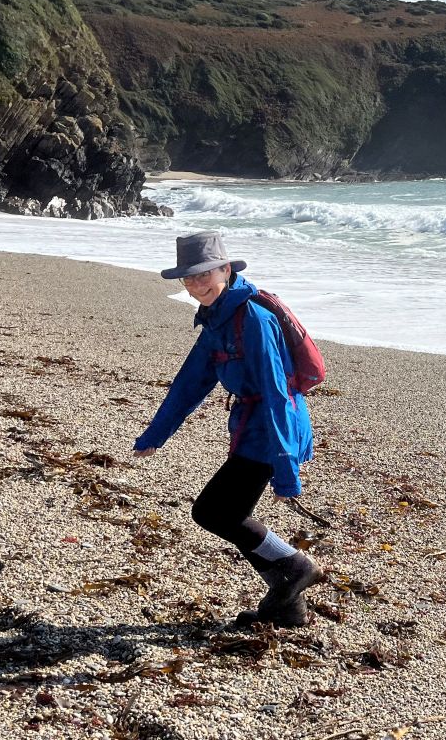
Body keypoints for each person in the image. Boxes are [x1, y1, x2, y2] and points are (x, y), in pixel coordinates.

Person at [133, 230, 321, 627]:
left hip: (274, 429)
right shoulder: (216, 320)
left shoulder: (253, 318)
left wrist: (286, 472)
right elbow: (190, 384)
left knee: (215, 511)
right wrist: (155, 435)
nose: (198, 284)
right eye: (190, 278)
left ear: (225, 270)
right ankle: (287, 604)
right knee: (227, 513)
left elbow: (276, 393)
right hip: (252, 429)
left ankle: (295, 565)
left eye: (206, 274)